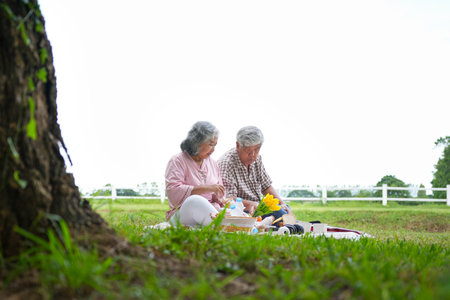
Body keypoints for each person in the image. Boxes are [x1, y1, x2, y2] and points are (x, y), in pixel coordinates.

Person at [218, 126, 293, 224]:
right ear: (238, 145)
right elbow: (228, 199)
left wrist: (282, 204)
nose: (252, 155)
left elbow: (266, 186)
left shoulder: (256, 159)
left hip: (257, 206)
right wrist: (251, 204)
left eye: (256, 149)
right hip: (241, 211)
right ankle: (292, 225)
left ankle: (291, 224)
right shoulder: (227, 164)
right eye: (248, 150)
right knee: (279, 213)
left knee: (285, 208)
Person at [165, 121, 225, 227]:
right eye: (211, 145)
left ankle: (242, 226)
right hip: (183, 214)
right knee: (194, 201)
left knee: (234, 209)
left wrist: (218, 196)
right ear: (197, 142)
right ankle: (225, 226)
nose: (213, 150)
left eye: (215, 145)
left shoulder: (213, 163)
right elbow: (173, 192)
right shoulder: (177, 160)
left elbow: (219, 191)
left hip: (210, 213)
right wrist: (207, 188)